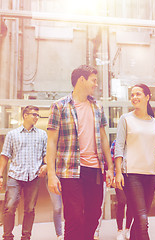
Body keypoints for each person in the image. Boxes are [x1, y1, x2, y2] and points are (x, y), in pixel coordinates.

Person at [46, 65, 114, 240]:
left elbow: (104, 138)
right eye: (93, 80)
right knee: (74, 216)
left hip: (95, 169)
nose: (96, 84)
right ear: (81, 80)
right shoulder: (59, 106)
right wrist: (51, 174)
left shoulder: (97, 106)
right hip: (70, 170)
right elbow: (52, 142)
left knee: (93, 214)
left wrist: (110, 168)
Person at [0, 105, 47, 240]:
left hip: (34, 176)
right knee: (10, 206)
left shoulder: (42, 134)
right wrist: (0, 175)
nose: (36, 117)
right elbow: (5, 155)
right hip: (15, 176)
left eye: (38, 115)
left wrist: (45, 165)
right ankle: (7, 236)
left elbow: (45, 154)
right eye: (34, 114)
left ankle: (26, 236)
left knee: (30, 209)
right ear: (25, 115)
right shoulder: (12, 135)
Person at [115, 84, 155, 240]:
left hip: (151, 173)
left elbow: (154, 147)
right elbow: (119, 146)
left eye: (138, 94)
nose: (134, 97)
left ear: (148, 96)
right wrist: (118, 172)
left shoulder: (154, 122)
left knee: (141, 218)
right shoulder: (125, 119)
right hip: (131, 174)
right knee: (142, 219)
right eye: (132, 94)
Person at [111, 140, 133, 240]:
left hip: (131, 176)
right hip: (119, 176)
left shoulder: (133, 141)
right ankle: (119, 230)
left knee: (131, 203)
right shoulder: (116, 142)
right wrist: (113, 175)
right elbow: (112, 160)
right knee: (121, 201)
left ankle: (127, 229)